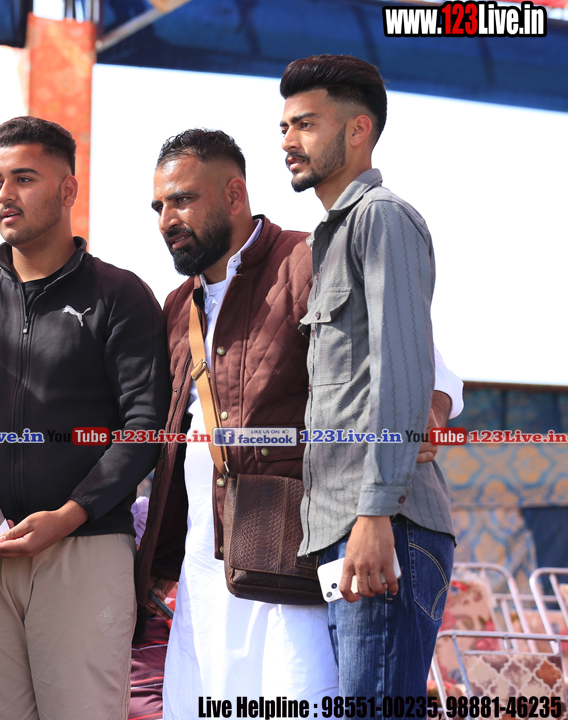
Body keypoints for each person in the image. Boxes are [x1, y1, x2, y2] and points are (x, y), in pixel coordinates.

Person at [133, 129, 462, 714]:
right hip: (206, 572)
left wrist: (426, 414)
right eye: (159, 206)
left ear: (235, 194)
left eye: (182, 200)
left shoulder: (311, 260)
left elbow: (427, 367)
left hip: (296, 564)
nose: (167, 220)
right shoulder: (177, 306)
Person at [0, 116, 170, 720]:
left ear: (67, 190)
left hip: (84, 548)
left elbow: (145, 427)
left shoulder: (120, 296)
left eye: (24, 178)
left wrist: (69, 514)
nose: (5, 195)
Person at [279, 54, 456, 701]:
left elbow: (403, 371)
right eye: (284, 127)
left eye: (305, 124)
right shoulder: (327, 240)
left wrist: (376, 511)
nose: (288, 141)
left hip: (385, 523)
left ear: (358, 130)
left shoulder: (381, 217)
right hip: (352, 527)